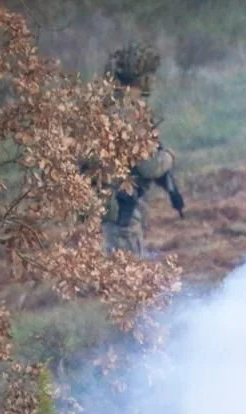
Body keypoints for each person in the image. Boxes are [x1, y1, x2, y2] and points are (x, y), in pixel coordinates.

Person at [101, 43, 183, 256]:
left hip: (103, 208)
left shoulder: (105, 106)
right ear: (143, 78)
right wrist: (169, 157)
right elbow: (149, 167)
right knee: (127, 279)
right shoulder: (130, 114)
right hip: (122, 212)